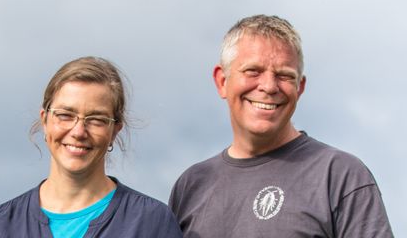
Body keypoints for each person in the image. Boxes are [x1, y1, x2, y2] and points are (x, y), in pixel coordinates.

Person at [168, 15, 393, 237]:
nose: (268, 86)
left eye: (284, 75)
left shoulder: (340, 174)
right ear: (222, 81)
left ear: (300, 87)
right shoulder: (191, 186)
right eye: (252, 71)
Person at [0, 56, 183, 238]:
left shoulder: (151, 222)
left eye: (96, 119)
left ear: (115, 130)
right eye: (65, 115)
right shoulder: (0, 225)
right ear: (45, 120)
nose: (78, 131)